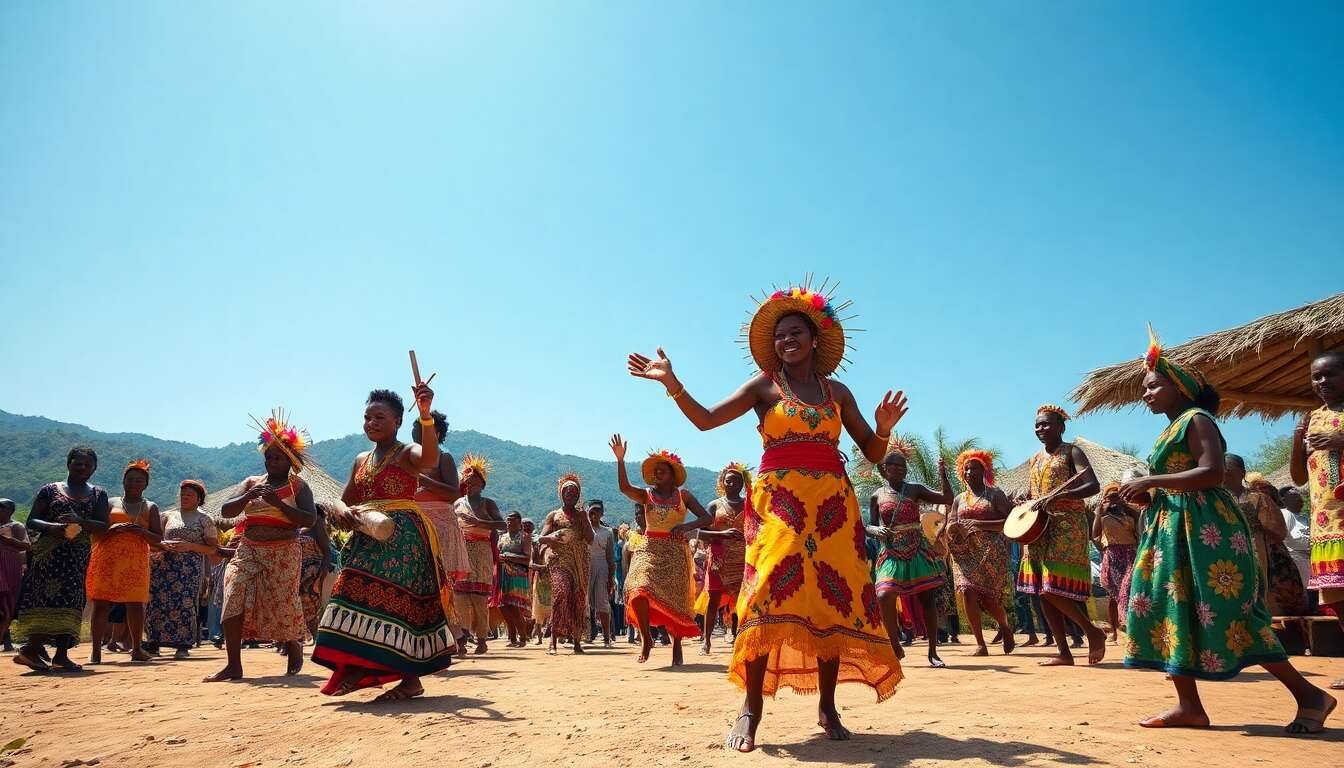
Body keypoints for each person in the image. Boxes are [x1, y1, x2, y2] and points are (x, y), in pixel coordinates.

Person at [627, 283, 905, 751]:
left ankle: (827, 706)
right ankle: (750, 710)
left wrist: (881, 428)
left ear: (815, 339)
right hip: (781, 506)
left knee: (831, 598)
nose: (786, 341)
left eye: (795, 332)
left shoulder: (837, 391)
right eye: (780, 335)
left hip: (833, 508)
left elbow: (873, 453)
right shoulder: (763, 385)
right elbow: (706, 419)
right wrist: (672, 383)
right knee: (766, 592)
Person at [1119, 327, 1334, 733]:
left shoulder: (1197, 419)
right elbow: (1180, 477)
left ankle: (1311, 696)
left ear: (1179, 387)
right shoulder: (1171, 426)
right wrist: (1150, 495)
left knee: (1230, 614)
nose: (1146, 394)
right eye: (1144, 388)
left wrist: (1152, 482)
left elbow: (1213, 471)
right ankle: (1189, 707)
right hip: (1173, 528)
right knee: (1171, 607)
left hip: (1205, 531)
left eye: (1154, 386)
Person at [316, 386, 457, 700]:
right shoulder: (360, 459)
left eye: (379, 417)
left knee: (401, 604)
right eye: (367, 417)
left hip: (404, 538)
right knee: (349, 592)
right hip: (367, 536)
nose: (371, 422)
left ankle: (409, 680)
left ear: (397, 421)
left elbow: (431, 457)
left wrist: (425, 414)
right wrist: (340, 512)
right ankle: (356, 664)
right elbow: (345, 499)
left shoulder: (407, 452)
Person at [206, 412, 317, 681]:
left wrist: (279, 505)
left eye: (277, 457)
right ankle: (234, 664)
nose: (271, 461)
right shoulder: (251, 483)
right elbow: (226, 511)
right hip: (249, 548)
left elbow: (310, 519)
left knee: (282, 602)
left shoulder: (298, 487)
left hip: (284, 550)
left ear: (289, 460)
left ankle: (293, 642)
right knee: (233, 594)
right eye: (268, 456)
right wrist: (246, 497)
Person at [1013, 404, 1105, 666]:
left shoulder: (1072, 452)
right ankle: (1063, 652)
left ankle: (1092, 631)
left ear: (1061, 427)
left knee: (1051, 588)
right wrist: (1026, 501)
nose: (1040, 429)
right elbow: (1035, 495)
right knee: (1041, 592)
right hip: (1038, 528)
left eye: (1046, 424)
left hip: (1067, 527)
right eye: (1037, 426)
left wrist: (1061, 496)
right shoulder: (1034, 459)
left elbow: (1092, 485)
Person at [610, 438, 714, 665]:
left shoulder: (683, 496)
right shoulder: (646, 495)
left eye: (662, 470)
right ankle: (647, 638)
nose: (657, 473)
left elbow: (708, 517)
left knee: (676, 599)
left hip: (676, 551)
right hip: (649, 547)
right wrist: (620, 460)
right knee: (636, 587)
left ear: (672, 474)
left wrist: (686, 527)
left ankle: (677, 647)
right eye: (655, 470)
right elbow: (624, 488)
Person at [13, 446, 111, 672]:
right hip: (49, 557)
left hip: (76, 557)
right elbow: (32, 520)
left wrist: (80, 520)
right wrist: (54, 527)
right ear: (69, 464)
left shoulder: (98, 494)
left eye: (88, 465)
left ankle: (61, 655)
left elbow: (103, 527)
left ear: (94, 469)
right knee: (45, 601)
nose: (83, 468)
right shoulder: (50, 490)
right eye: (78, 463)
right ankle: (31, 648)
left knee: (72, 602)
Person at [868, 443, 954, 667]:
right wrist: (876, 530)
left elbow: (946, 498)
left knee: (927, 599)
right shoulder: (876, 495)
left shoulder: (914, 489)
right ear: (884, 469)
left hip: (916, 549)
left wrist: (943, 476)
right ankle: (894, 643)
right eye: (893, 465)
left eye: (902, 466)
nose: (899, 469)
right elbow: (869, 524)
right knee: (884, 595)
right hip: (891, 551)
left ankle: (933, 652)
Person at [1289, 349, 1344, 691]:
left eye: (1331, 374)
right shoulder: (1312, 419)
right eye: (1316, 377)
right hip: (1326, 521)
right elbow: (1298, 478)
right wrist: (1298, 439)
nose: (1322, 382)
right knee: (1337, 597)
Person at [86, 459, 162, 664]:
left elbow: (158, 538)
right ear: (123, 481)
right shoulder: (109, 502)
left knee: (136, 604)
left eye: (139, 480)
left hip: (135, 560)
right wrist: (111, 529)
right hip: (107, 556)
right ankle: (95, 651)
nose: (134, 483)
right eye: (130, 479)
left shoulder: (151, 507)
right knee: (101, 603)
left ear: (145, 484)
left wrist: (142, 531)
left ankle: (136, 648)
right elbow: (95, 529)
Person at [946, 450, 1015, 656]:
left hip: (991, 551)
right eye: (966, 468)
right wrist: (952, 529)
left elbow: (1010, 522)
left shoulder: (995, 494)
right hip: (964, 552)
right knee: (967, 591)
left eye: (974, 468)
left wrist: (979, 523)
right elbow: (952, 520)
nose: (969, 471)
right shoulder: (959, 499)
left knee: (988, 599)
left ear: (984, 471)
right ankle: (980, 644)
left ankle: (1005, 626)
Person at [146, 480, 218, 659]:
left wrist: (189, 546)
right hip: (163, 565)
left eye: (190, 495)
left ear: (198, 498)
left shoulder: (205, 519)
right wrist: (163, 545)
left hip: (189, 569)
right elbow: (156, 539)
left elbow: (212, 548)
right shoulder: (168, 516)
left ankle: (183, 644)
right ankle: (154, 642)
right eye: (183, 494)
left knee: (185, 603)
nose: (185, 497)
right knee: (158, 602)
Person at [453, 454, 506, 656]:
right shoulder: (458, 503)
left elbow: (501, 524)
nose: (470, 480)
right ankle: (462, 638)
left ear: (482, 483)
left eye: (474, 478)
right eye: (467, 477)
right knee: (460, 596)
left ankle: (482, 638)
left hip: (482, 550)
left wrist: (478, 523)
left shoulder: (488, 503)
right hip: (462, 550)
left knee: (478, 596)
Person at [696, 463, 750, 655]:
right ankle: (707, 641)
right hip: (719, 558)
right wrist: (723, 534)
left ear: (743, 484)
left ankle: (742, 639)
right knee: (713, 599)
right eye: (728, 481)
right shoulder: (714, 505)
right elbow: (699, 532)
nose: (732, 484)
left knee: (743, 599)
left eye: (736, 481)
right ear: (722, 483)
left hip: (744, 558)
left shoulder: (749, 504)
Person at [538, 474, 595, 655]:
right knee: (561, 593)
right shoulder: (554, 515)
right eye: (567, 491)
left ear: (578, 495)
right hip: (559, 560)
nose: (570, 494)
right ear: (561, 493)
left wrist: (584, 520)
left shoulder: (581, 515)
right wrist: (553, 537)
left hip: (579, 561)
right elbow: (541, 538)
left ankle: (577, 641)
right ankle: (553, 640)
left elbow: (591, 539)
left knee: (578, 600)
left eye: (574, 491)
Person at [1092, 483, 1139, 642]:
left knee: (1127, 589)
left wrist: (1125, 504)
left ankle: (1129, 626)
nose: (1114, 498)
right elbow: (1095, 534)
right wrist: (1100, 511)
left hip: (1130, 555)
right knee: (1113, 595)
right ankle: (1114, 630)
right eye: (1111, 495)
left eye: (1117, 494)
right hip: (1111, 556)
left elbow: (1139, 529)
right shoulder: (1103, 515)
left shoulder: (1130, 513)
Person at [297, 503, 336, 640]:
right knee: (300, 609)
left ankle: (318, 640)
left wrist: (321, 576)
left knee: (312, 610)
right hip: (297, 573)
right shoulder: (298, 527)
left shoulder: (317, 527)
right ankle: (292, 644)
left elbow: (326, 553)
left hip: (312, 574)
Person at [495, 511, 532, 647]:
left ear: (519, 521)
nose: (509, 522)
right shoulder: (502, 537)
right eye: (508, 519)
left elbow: (527, 558)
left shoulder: (525, 537)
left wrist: (508, 557)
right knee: (503, 606)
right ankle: (512, 638)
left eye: (512, 519)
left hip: (518, 574)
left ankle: (522, 637)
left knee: (514, 606)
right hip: (502, 573)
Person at [0, 499, 32, 653]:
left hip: (10, 565)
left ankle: (6, 641)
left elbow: (27, 546)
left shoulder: (16, 526)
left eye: (2, 507)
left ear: (10, 510)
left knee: (8, 601)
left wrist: (8, 540)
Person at [586, 500, 616, 647]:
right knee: (583, 602)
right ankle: (582, 635)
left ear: (602, 513)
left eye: (597, 511)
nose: (594, 514)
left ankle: (606, 638)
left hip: (602, 566)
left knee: (602, 602)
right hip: (585, 566)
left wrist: (611, 577)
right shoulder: (583, 530)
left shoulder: (607, 532)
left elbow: (610, 557)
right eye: (591, 511)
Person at [1278, 486, 1313, 594]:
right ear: (1284, 500)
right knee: (1308, 590)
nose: (1299, 498)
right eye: (1294, 495)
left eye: (1299, 495)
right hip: (1296, 557)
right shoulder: (1285, 514)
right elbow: (1282, 537)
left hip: (1309, 557)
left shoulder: (1305, 517)